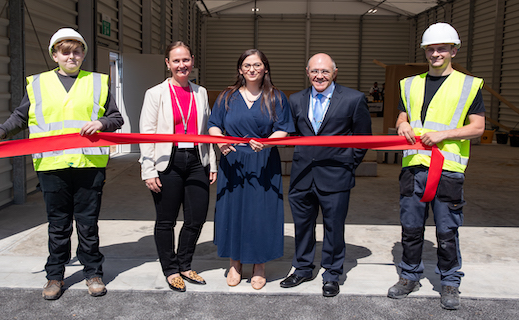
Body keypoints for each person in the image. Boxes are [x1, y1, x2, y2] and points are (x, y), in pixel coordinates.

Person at [0, 28, 124, 300]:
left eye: (77, 51)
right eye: (65, 51)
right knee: (58, 225)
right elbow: (19, 117)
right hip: (51, 167)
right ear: (54, 55)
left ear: (83, 54)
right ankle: (55, 276)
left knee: (87, 224)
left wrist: (102, 123)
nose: (72, 56)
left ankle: (93, 273)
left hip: (88, 164)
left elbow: (116, 118)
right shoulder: (38, 84)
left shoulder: (97, 82)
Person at [387, 22, 485, 310]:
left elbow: (477, 127)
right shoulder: (410, 84)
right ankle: (409, 276)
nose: (436, 53)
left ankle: (450, 282)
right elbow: (401, 117)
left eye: (442, 48)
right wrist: (402, 125)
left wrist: (444, 135)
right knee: (411, 227)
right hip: (414, 167)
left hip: (447, 169)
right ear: (425, 52)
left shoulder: (468, 85)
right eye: (431, 49)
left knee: (446, 230)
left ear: (454, 50)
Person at [280, 53, 372, 297]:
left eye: (325, 71)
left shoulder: (353, 99)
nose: (319, 76)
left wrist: (348, 164)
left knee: (333, 228)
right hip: (302, 175)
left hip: (336, 175)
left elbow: (363, 139)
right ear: (307, 72)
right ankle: (302, 268)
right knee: (302, 226)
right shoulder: (296, 99)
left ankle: (332, 273)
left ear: (335, 73)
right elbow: (289, 133)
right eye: (314, 71)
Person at [208, 49, 294, 290]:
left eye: (257, 65)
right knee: (232, 211)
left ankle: (259, 265)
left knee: (261, 213)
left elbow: (283, 128)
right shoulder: (227, 97)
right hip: (233, 162)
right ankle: (234, 263)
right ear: (240, 69)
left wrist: (267, 142)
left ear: (265, 68)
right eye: (247, 65)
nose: (252, 69)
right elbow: (214, 125)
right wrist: (221, 141)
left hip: (263, 161)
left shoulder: (276, 97)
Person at [139, 41, 217, 293]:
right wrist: (148, 169)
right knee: (166, 220)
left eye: (185, 60)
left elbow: (207, 131)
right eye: (176, 60)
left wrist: (212, 162)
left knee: (196, 217)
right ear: (168, 63)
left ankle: (185, 264)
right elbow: (146, 134)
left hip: (196, 160)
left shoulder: (200, 92)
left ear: (192, 61)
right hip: (167, 162)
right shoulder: (155, 93)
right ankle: (170, 269)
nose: (181, 65)